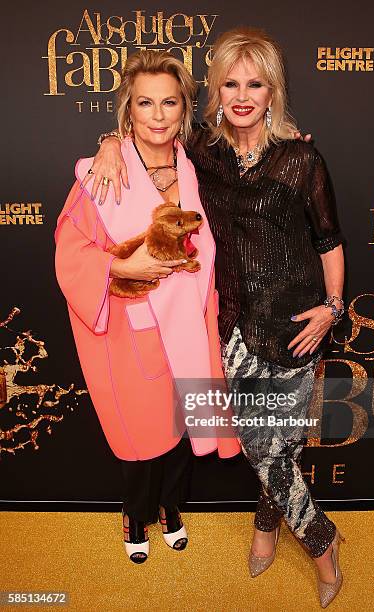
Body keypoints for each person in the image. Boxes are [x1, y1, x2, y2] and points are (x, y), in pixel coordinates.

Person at [88, 27, 346, 608]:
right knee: (262, 444)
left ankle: (264, 526)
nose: (242, 95)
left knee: (282, 446)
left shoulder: (302, 158)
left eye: (254, 83)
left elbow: (329, 240)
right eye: (231, 82)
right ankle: (324, 543)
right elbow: (150, 131)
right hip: (229, 328)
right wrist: (110, 139)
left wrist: (332, 309)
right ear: (217, 92)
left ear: (273, 90)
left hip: (299, 325)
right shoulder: (202, 151)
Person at [54, 50, 240, 565]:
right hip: (129, 329)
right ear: (127, 110)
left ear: (184, 108)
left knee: (183, 431)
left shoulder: (200, 165)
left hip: (191, 326)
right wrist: (120, 270)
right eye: (144, 103)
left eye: (169, 103)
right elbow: (70, 251)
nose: (157, 115)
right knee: (140, 437)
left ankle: (170, 508)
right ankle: (135, 513)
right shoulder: (102, 173)